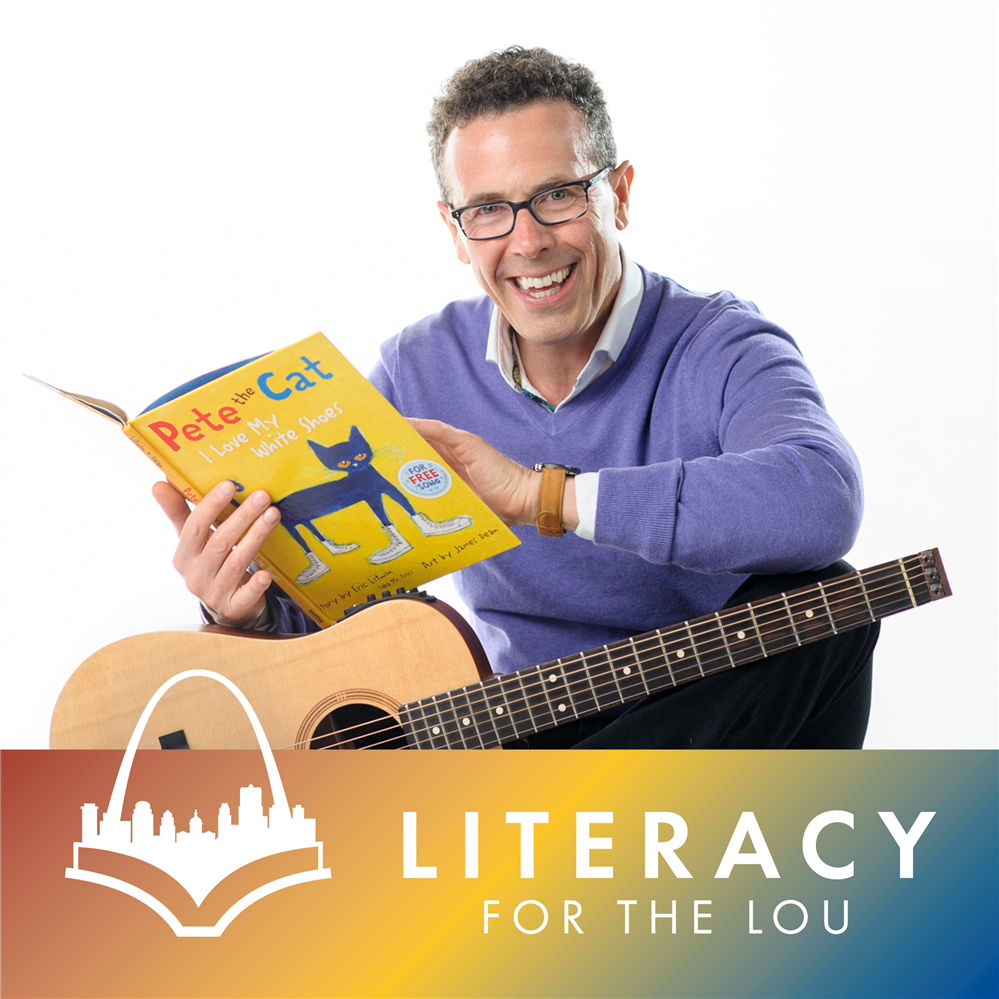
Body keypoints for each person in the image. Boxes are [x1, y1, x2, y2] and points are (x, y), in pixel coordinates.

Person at [154, 47, 878, 749]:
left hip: (710, 719)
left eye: (558, 195)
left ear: (620, 195)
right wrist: (242, 606)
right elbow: (345, 620)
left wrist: (541, 496)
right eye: (488, 210)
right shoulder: (416, 368)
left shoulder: (722, 343)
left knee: (830, 601)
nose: (527, 242)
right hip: (518, 726)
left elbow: (821, 500)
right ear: (455, 231)